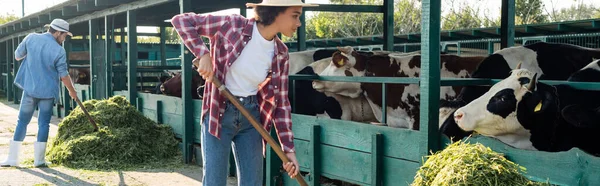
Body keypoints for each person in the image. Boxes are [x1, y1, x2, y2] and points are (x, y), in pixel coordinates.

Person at [170, 0, 317, 185]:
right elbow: (181, 21)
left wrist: (289, 151)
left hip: (251, 118)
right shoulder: (233, 25)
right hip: (219, 114)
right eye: (295, 16)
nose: (299, 23)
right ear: (276, 12)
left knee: (253, 182)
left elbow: (281, 103)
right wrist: (203, 54)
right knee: (215, 182)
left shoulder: (281, 53)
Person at [0, 19, 78, 168]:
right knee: (44, 123)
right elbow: (63, 74)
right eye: (64, 35)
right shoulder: (59, 51)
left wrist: (33, 55)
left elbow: (17, 56)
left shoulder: (31, 38)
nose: (64, 38)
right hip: (47, 92)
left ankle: (12, 159)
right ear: (57, 32)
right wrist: (72, 91)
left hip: (30, 89)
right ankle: (39, 160)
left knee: (22, 122)